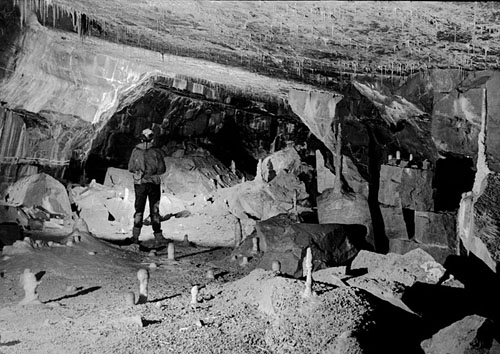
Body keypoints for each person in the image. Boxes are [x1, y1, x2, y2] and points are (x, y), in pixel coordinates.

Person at [127, 128, 166, 245]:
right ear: (152, 138)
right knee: (154, 209)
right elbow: (162, 169)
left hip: (140, 183)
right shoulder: (156, 152)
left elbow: (130, 167)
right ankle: (158, 236)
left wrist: (140, 170)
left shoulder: (136, 151)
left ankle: (135, 236)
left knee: (139, 209)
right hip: (153, 183)